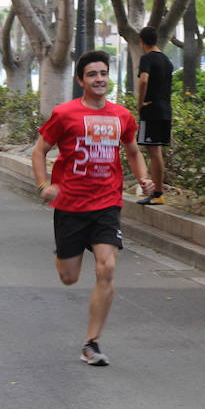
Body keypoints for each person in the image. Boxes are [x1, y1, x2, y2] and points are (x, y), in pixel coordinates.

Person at [31, 50, 154, 367]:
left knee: (107, 268)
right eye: (92, 74)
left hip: (106, 203)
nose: (99, 79)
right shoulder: (65, 114)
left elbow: (132, 151)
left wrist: (143, 179)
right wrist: (45, 185)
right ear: (80, 80)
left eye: (103, 73)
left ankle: (92, 342)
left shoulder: (122, 116)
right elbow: (40, 150)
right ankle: (64, 253)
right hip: (70, 205)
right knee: (69, 277)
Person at [135, 26, 173, 206]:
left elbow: (143, 80)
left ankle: (157, 193)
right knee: (157, 153)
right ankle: (158, 192)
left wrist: (140, 102)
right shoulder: (167, 60)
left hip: (151, 111)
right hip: (166, 110)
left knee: (154, 152)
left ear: (142, 42)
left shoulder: (147, 58)